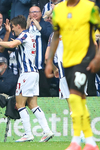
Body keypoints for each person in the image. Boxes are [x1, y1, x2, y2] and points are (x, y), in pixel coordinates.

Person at [45, 0, 100, 149]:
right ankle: (90, 142)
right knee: (79, 100)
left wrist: (97, 56)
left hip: (85, 59)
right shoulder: (59, 10)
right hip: (66, 63)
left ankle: (77, 140)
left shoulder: (90, 8)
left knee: (74, 97)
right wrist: (50, 62)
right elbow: (56, 35)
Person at [0, 15, 54, 143]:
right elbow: (14, 44)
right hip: (34, 73)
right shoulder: (30, 36)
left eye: (13, 28)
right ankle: (47, 131)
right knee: (32, 104)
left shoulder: (24, 35)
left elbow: (11, 44)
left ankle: (28, 133)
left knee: (19, 104)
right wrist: (8, 32)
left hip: (26, 74)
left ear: (19, 26)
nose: (13, 30)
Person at [27, 5, 53, 97]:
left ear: (41, 13)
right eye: (32, 12)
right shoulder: (26, 26)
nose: (34, 14)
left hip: (42, 64)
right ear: (29, 14)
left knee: (44, 90)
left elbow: (50, 36)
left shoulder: (46, 24)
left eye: (36, 12)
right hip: (29, 66)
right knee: (30, 92)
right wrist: (27, 26)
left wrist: (39, 27)